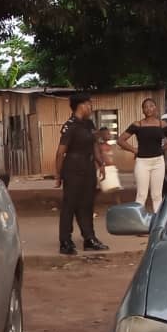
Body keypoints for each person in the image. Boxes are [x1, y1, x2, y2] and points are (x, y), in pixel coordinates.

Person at [55, 93, 108, 253]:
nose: (91, 108)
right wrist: (58, 175)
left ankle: (89, 239)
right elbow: (60, 152)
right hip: (72, 167)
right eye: (89, 104)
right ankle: (65, 242)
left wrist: (100, 163)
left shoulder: (89, 124)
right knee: (69, 205)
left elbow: (94, 145)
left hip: (88, 166)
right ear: (81, 106)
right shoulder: (70, 125)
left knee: (87, 204)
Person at [118, 99, 167, 213]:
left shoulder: (162, 124)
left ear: (155, 108)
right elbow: (121, 140)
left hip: (158, 162)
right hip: (142, 162)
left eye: (151, 106)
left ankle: (158, 221)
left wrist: (161, 149)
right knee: (141, 194)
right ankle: (137, 221)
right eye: (146, 107)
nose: (148, 109)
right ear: (142, 110)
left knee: (157, 195)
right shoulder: (137, 124)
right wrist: (134, 150)